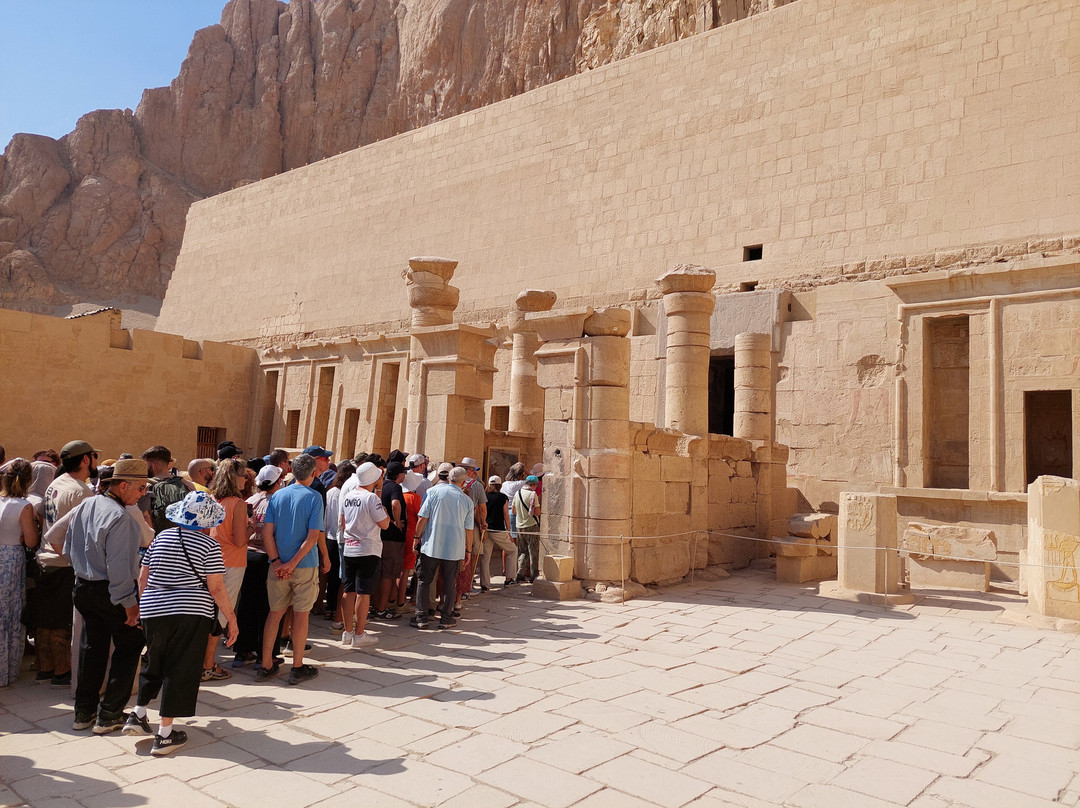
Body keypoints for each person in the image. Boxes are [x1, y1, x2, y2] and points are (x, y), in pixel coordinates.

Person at [125, 491, 239, 755]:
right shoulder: (209, 546)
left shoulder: (161, 537)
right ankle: (165, 735)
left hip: (154, 609)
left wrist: (145, 607)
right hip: (190, 613)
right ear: (208, 522)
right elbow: (216, 588)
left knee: (154, 661)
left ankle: (139, 714)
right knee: (181, 668)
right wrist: (231, 620)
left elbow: (144, 576)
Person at [65, 458, 148, 733]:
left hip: (83, 586)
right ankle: (110, 714)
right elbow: (120, 568)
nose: (143, 493)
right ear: (123, 486)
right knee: (130, 644)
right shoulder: (121, 517)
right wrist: (129, 604)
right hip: (110, 590)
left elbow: (66, 546)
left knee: (93, 647)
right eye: (140, 488)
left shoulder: (87, 504)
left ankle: (83, 712)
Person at [258, 454, 329, 685]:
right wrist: (292, 563)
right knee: (301, 615)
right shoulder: (314, 497)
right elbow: (312, 537)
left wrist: (277, 561)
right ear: (313, 473)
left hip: (278, 565)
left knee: (275, 613)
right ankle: (297, 665)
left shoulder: (278, 495)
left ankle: (266, 663)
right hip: (304, 565)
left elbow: (267, 533)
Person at [36, 439, 97, 689]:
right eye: (93, 456)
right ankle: (61, 673)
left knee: (45, 619)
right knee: (62, 621)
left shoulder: (55, 483)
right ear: (85, 460)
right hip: (64, 561)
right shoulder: (81, 491)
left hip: (45, 558)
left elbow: (40, 513)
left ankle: (45, 669)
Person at [201, 457, 249, 681]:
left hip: (209, 561)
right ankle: (208, 664)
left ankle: (202, 660)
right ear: (234, 478)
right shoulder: (237, 504)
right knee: (220, 616)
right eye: (243, 475)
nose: (246, 479)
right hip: (231, 563)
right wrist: (253, 527)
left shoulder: (211, 499)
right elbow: (240, 541)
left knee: (207, 611)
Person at [233, 464, 284, 667]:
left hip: (247, 555)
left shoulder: (250, 500)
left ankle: (242, 650)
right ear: (277, 482)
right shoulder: (278, 502)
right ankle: (266, 653)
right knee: (270, 607)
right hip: (267, 556)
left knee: (247, 605)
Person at [411, 466, 474, 630]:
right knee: (449, 583)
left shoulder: (433, 492)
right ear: (463, 482)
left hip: (431, 544)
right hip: (454, 548)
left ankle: (421, 617)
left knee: (424, 581)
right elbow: (469, 530)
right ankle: (446, 618)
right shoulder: (466, 501)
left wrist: (416, 538)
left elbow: (422, 518)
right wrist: (468, 551)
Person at [338, 461, 388, 647]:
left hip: (350, 547)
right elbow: (384, 523)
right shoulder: (371, 498)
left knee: (348, 590)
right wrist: (385, 511)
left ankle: (347, 632)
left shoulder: (348, 496)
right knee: (363, 592)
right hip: (367, 548)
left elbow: (343, 523)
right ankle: (359, 633)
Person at [0, 459, 38, 686]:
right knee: (9, 614)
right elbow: (32, 540)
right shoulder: (24, 506)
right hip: (11, 559)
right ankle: (6, 669)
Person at [323, 461, 355, 629]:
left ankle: (329, 608)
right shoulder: (349, 493)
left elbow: (325, 517)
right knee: (343, 577)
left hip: (329, 537)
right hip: (342, 538)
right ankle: (338, 612)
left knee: (332, 576)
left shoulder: (331, 493)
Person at [373, 461, 407, 619]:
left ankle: (375, 605)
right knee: (389, 574)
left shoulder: (381, 486)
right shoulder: (395, 487)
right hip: (392, 537)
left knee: (380, 573)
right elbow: (395, 503)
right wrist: (397, 521)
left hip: (379, 535)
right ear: (399, 475)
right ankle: (382, 608)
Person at [143, 445, 194, 534]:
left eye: (146, 465)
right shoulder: (187, 484)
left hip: (159, 538)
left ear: (154, 465)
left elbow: (145, 516)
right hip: (184, 536)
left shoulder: (147, 486)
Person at [481, 475, 516, 589]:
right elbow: (506, 515)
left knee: (485, 557)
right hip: (498, 530)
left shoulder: (485, 496)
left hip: (486, 529)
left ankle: (485, 584)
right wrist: (508, 531)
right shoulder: (502, 497)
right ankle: (509, 578)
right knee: (513, 550)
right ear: (500, 485)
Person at [513, 475, 543, 584]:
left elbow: (514, 511)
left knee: (522, 550)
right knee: (533, 551)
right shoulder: (532, 494)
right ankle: (533, 574)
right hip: (531, 525)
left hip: (519, 525)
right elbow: (537, 512)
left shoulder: (517, 493)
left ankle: (520, 573)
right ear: (533, 485)